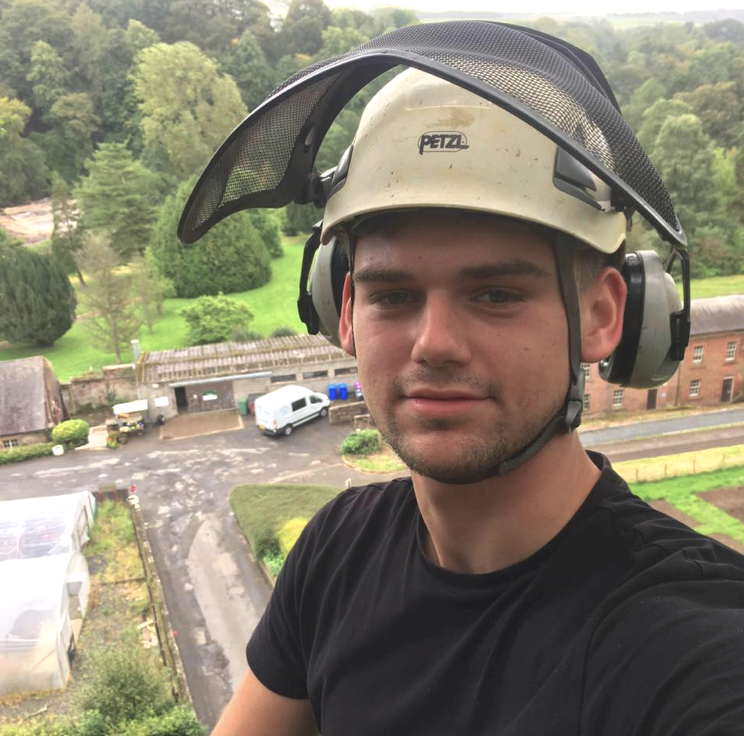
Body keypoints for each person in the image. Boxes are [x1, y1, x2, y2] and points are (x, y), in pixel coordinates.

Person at [198, 31, 744, 736]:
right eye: (393, 295)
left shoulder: (689, 652)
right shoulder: (335, 555)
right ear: (345, 312)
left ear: (605, 315)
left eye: (495, 295)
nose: (435, 344)